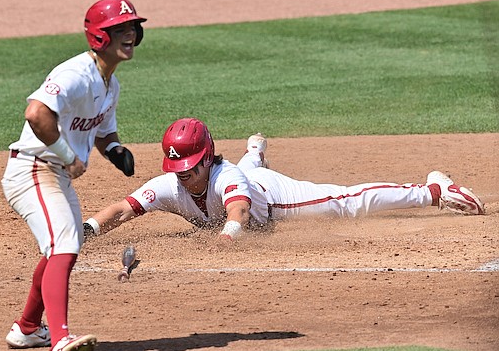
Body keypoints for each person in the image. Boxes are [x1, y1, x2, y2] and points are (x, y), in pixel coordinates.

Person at [1, 0, 146, 351]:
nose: (130, 34)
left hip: (54, 173)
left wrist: (115, 150)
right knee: (64, 241)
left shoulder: (109, 84)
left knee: (64, 246)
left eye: (132, 27)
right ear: (100, 36)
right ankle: (60, 339)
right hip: (33, 169)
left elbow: (100, 128)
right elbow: (36, 112)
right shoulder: (76, 73)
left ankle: (27, 329)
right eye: (121, 29)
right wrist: (68, 155)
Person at [83, 118, 485, 242]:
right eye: (177, 170)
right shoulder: (170, 184)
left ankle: (432, 190)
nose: (183, 176)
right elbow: (125, 208)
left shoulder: (227, 178)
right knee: (251, 168)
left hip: (273, 200)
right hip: (250, 177)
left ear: (206, 158)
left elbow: (238, 209)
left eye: (190, 167)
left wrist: (229, 236)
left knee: (346, 202)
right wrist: (89, 228)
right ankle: (255, 151)